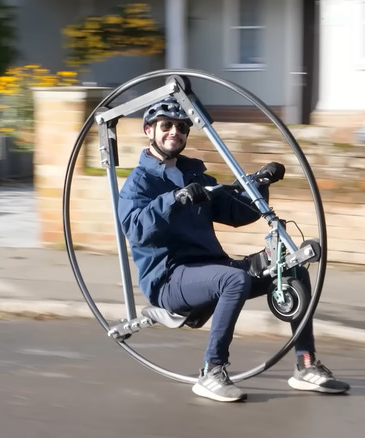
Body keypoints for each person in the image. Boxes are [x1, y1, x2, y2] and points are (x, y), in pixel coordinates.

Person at [117, 97, 350, 402]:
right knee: (234, 280)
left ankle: (305, 365)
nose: (174, 131)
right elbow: (134, 229)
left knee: (290, 266)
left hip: (211, 268)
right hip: (170, 279)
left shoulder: (195, 176)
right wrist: (174, 200)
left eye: (181, 127)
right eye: (167, 125)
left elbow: (237, 211)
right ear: (150, 130)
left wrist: (260, 182)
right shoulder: (139, 183)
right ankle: (212, 372)